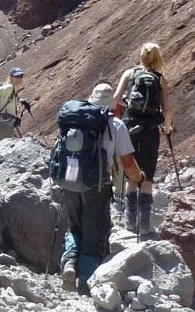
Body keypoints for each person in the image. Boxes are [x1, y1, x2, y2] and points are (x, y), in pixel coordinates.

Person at [59, 83, 143, 292]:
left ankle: (69, 262)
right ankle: (87, 280)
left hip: (70, 180)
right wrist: (139, 178)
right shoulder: (116, 125)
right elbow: (128, 163)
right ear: (112, 103)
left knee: (75, 226)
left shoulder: (75, 120)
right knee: (94, 231)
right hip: (96, 185)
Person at [112, 42, 173, 235]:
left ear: (141, 56)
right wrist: (167, 127)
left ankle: (130, 222)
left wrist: (129, 104)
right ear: (157, 58)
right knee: (148, 175)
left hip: (129, 127)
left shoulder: (129, 74)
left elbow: (116, 98)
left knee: (132, 172)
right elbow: (167, 109)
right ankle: (145, 225)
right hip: (150, 130)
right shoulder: (160, 79)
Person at [0, 67, 25, 142]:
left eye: (21, 76)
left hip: (5, 122)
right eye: (17, 76)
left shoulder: (12, 87)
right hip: (3, 123)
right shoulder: (9, 87)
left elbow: (9, 103)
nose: (19, 78)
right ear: (11, 77)